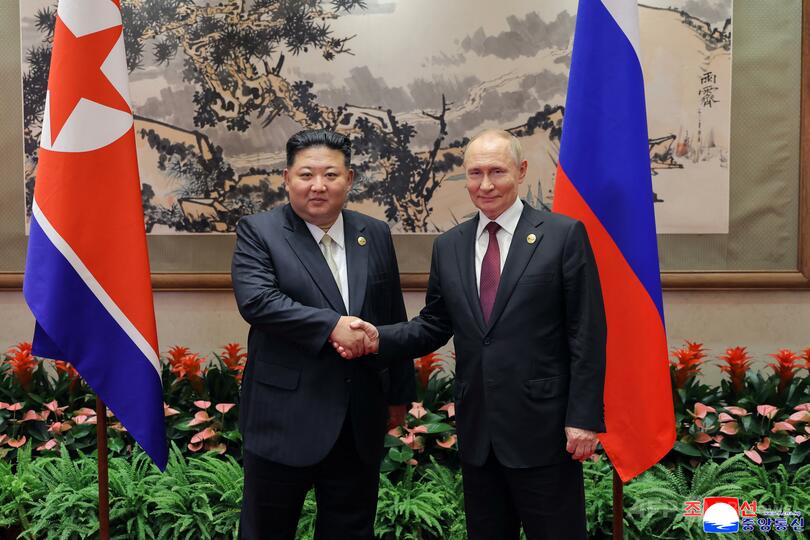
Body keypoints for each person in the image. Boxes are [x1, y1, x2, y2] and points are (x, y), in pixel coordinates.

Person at [335, 129, 607, 540]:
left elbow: (586, 332)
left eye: (497, 171)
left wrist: (583, 418)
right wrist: (378, 338)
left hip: (545, 429)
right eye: (475, 173)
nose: (485, 185)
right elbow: (434, 323)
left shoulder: (562, 235)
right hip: (479, 430)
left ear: (521, 171)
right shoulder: (450, 245)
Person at [231, 129, 414, 540]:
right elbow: (258, 301)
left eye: (330, 175)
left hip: (358, 417)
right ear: (286, 178)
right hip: (283, 418)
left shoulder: (374, 233)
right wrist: (332, 325)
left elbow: (392, 313)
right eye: (306, 174)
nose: (318, 185)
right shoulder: (259, 231)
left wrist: (399, 394)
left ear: (349, 179)